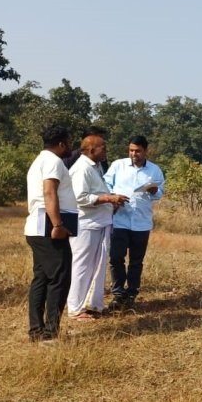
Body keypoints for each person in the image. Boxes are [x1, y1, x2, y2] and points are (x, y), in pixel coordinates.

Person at [67, 135, 129, 321]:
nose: (105, 150)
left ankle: (93, 305)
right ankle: (75, 309)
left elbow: (96, 193)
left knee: (98, 266)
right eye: (103, 147)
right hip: (86, 225)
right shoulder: (81, 168)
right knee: (82, 266)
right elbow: (80, 197)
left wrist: (112, 201)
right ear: (92, 150)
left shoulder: (96, 167)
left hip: (100, 222)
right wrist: (108, 199)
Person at [24, 125, 76, 342]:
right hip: (47, 227)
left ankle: (37, 331)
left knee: (42, 279)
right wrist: (57, 225)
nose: (72, 145)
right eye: (70, 141)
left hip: (36, 227)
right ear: (62, 143)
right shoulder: (53, 162)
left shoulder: (40, 160)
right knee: (60, 278)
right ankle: (49, 334)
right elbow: (49, 191)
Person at [103, 135, 164, 308]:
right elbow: (106, 184)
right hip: (119, 219)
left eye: (137, 151)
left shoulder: (154, 170)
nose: (133, 154)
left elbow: (160, 192)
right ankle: (118, 293)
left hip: (141, 222)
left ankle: (131, 293)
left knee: (136, 260)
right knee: (115, 258)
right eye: (131, 150)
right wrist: (113, 197)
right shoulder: (118, 165)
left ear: (146, 151)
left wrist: (154, 190)